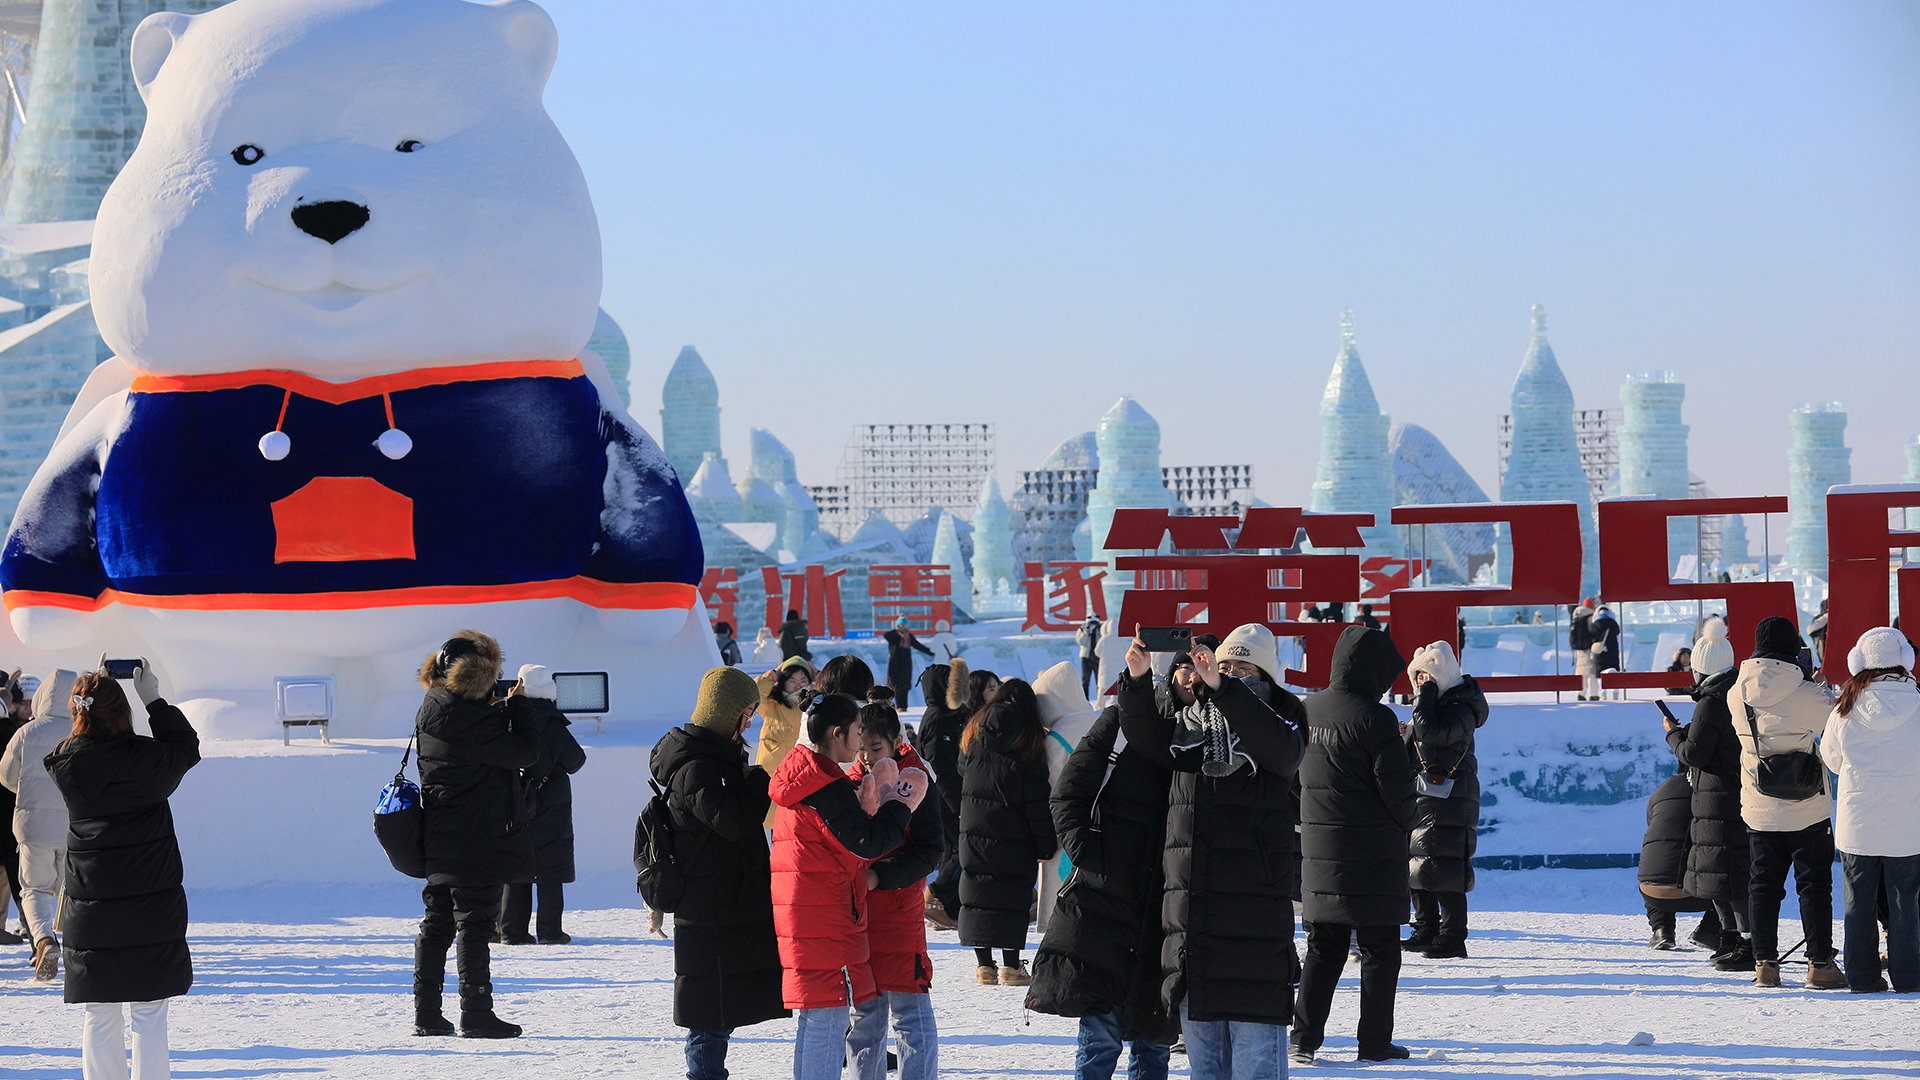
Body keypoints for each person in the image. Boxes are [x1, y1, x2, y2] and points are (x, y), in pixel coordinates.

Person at [1117, 625, 1306, 1079]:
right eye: (1223, 666)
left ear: (1266, 673)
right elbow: (1146, 739)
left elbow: (1281, 754)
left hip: (1252, 920)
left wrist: (1225, 690)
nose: (1228, 674)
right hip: (1193, 915)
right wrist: (1140, 679)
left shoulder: (1283, 713)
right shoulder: (1189, 718)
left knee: (1256, 1064)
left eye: (1243, 667)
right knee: (1205, 1067)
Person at [43, 667, 199, 1080]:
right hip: (151, 908)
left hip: (91, 909)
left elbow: (70, 744)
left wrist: (88, 694)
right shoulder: (150, 760)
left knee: (100, 1012)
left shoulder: (68, 765)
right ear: (123, 712)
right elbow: (186, 746)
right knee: (149, 1013)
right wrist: (154, 701)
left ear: (80, 714)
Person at [1028, 653, 1177, 1080]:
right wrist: (1089, 853)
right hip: (1105, 897)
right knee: (1101, 1034)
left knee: (1154, 1039)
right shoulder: (1115, 724)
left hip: (1166, 901)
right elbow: (1068, 794)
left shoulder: (1198, 734)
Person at [769, 693, 920, 1080]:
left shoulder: (802, 774)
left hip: (807, 913)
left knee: (815, 1018)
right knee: (828, 1021)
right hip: (825, 917)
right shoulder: (825, 784)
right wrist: (899, 805)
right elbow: (866, 843)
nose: (860, 741)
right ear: (838, 734)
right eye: (856, 731)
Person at [651, 666, 788, 1080]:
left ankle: (841, 1043)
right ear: (723, 713)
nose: (750, 722)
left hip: (728, 899)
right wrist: (759, 779)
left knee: (721, 1000)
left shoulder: (713, 758)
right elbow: (734, 822)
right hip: (710, 905)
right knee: (709, 1008)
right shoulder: (698, 767)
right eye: (746, 713)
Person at [1292, 625, 1417, 1064]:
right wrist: (1408, 751)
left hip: (1320, 852)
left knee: (1322, 949)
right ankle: (1374, 1042)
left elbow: (1295, 781)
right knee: (1380, 950)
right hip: (1373, 858)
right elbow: (1399, 796)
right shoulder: (1376, 718)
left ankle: (1302, 1039)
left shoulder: (1308, 709)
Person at [410, 631, 538, 1038]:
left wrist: (493, 710)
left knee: (437, 923)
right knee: (475, 924)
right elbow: (525, 752)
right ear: (475, 681)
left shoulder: (434, 707)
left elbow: (470, 745)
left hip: (440, 834)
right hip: (478, 836)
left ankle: (426, 1013)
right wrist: (519, 707)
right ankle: (477, 1011)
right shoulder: (474, 722)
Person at [1730, 616, 1844, 989]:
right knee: (1813, 886)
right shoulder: (1807, 693)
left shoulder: (1736, 692)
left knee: (1762, 885)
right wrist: (1818, 684)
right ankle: (1820, 965)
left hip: (1759, 805)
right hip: (1807, 805)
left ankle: (1765, 964)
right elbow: (1835, 721)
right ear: (1794, 648)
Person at [847, 687, 944, 1080]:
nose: (868, 755)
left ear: (897, 742)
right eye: (862, 746)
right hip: (858, 915)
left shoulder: (916, 783)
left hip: (899, 912)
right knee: (865, 1013)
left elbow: (928, 850)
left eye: (876, 746)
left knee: (909, 1010)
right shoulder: (851, 780)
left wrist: (880, 875)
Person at [1818, 626, 1920, 993]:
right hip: (1908, 824)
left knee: (1858, 902)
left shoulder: (1845, 706)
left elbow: (1830, 758)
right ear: (1904, 661)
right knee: (1905, 902)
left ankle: (1861, 977)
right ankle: (1909, 977)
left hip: (1857, 824)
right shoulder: (1918, 702)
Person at [1664, 623, 1754, 971]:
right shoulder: (1737, 692)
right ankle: (1733, 939)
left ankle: (1741, 942)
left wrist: (1673, 736)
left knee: (1724, 873)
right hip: (1737, 792)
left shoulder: (1711, 702)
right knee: (1729, 871)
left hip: (1717, 797)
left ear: (1700, 668)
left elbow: (1695, 754)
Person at [957, 677, 1058, 986]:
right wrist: (1045, 845)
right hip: (1014, 832)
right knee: (1012, 895)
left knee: (978, 892)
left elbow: (962, 768)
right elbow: (1036, 801)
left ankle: (984, 967)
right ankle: (1012, 968)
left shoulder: (975, 730)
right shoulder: (1028, 739)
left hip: (973, 826)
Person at [1401, 641, 1487, 959]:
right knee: (1418, 865)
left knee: (1447, 867)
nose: (1422, 684)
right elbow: (1421, 744)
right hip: (1424, 796)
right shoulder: (1433, 708)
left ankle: (1452, 937)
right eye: (1418, 678)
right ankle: (1426, 929)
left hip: (1451, 796)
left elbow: (1434, 734)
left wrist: (1423, 698)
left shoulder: (1461, 707)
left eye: (1428, 677)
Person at [497, 665, 586, 946]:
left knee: (515, 865)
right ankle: (550, 931)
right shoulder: (552, 723)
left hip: (515, 801)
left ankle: (511, 931)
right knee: (550, 868)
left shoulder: (507, 720)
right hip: (551, 805)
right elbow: (576, 761)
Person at [1, 668, 80, 980]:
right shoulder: (81, 729)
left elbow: (7, 776)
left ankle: (44, 940)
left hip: (33, 826)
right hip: (74, 826)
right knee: (67, 889)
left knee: (34, 888)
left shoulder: (27, 732)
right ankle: (71, 945)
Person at [1033, 661, 1101, 935]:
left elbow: (1047, 790)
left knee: (1064, 904)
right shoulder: (1104, 720)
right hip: (1107, 825)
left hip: (1067, 830)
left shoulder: (1056, 738)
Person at [1637, 771, 1720, 950]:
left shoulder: (1662, 789)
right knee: (1736, 875)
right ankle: (1710, 930)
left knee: (1659, 865)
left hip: (1653, 893)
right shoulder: (1719, 789)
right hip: (1700, 896)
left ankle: (1662, 929)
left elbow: (1651, 821)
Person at [916, 659, 965, 932]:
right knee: (963, 847)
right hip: (944, 796)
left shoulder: (949, 714)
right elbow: (939, 766)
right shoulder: (936, 717)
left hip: (947, 795)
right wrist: (956, 802)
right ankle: (935, 895)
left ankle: (945, 907)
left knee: (952, 848)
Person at [753, 657, 816, 829]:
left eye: (803, 681)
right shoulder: (771, 706)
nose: (797, 686)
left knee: (796, 828)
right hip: (771, 779)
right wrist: (773, 674)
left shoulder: (812, 708)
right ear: (782, 682)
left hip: (799, 778)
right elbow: (754, 691)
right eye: (792, 681)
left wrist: (819, 675)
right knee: (773, 829)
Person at [883, 618, 935, 706]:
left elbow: (918, 645)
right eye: (901, 625)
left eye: (905, 625)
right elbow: (886, 635)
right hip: (894, 665)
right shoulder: (894, 636)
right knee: (895, 685)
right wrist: (896, 631)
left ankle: (904, 706)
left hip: (906, 665)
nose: (903, 627)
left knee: (905, 685)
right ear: (898, 626)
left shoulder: (909, 636)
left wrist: (930, 652)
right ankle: (897, 705)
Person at [1570, 597, 1598, 701]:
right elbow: (1593, 632)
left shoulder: (1576, 615)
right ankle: (1594, 694)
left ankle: (1581, 693)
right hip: (1589, 647)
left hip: (1580, 648)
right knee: (1592, 671)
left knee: (1581, 671)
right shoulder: (1591, 616)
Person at [1590, 605, 1622, 698]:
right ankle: (1615, 692)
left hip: (1600, 652)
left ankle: (1603, 693)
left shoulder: (1595, 624)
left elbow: (1592, 637)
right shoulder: (1613, 623)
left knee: (1601, 671)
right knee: (1614, 670)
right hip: (1612, 651)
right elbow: (1617, 632)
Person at [1077, 614, 1103, 698]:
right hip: (1086, 658)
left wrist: (1098, 630)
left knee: (1099, 681)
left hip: (1098, 658)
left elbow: (1102, 641)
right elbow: (1081, 641)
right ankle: (1085, 700)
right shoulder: (1082, 629)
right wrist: (1086, 632)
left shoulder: (1101, 629)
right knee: (1085, 681)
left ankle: (1100, 700)